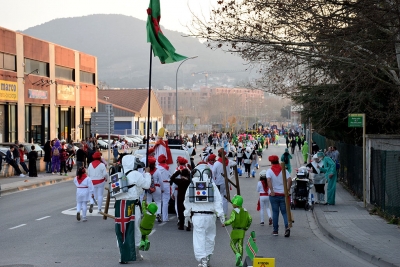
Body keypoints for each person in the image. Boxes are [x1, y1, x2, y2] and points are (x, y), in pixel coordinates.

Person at [183, 164, 225, 267]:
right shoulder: (211, 184)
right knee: (210, 238)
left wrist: (187, 215)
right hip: (210, 217)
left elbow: (187, 201)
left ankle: (203, 260)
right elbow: (218, 201)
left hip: (197, 217)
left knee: (199, 239)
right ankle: (207, 257)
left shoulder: (192, 184)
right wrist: (221, 215)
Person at [115, 155, 151, 263]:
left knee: (122, 230)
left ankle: (123, 255)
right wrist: (147, 173)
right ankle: (135, 253)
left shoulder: (118, 174)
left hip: (120, 206)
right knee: (135, 229)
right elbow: (147, 185)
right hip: (132, 206)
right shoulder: (135, 174)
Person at [222, 195, 252, 267]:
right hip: (242, 231)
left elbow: (232, 220)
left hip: (235, 230)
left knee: (232, 244)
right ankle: (240, 261)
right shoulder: (245, 210)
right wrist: (246, 227)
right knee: (240, 245)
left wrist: (225, 223)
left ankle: (237, 254)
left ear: (235, 203)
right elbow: (250, 219)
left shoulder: (234, 211)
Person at [266, 155, 292, 237]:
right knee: (284, 212)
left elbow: (269, 181)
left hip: (273, 195)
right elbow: (290, 180)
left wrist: (272, 190)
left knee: (275, 212)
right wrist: (287, 190)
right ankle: (287, 227)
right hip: (283, 194)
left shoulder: (269, 171)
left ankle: (275, 230)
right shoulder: (284, 170)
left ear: (271, 162)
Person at [212, 148, 237, 216]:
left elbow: (213, 173)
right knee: (225, 198)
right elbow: (235, 163)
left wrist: (214, 179)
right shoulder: (228, 162)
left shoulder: (216, 163)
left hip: (219, 183)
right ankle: (225, 214)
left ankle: (219, 213)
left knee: (219, 198)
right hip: (227, 182)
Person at [170, 156, 192, 230]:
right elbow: (192, 177)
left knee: (180, 210)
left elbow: (172, 179)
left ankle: (181, 223)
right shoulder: (188, 178)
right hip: (188, 196)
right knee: (187, 210)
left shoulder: (179, 180)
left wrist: (179, 172)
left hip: (180, 195)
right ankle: (188, 224)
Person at [145, 156, 164, 223]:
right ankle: (158, 214)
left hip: (148, 187)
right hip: (157, 187)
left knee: (149, 201)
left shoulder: (146, 171)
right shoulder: (157, 171)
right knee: (158, 201)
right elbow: (161, 181)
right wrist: (162, 188)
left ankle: (149, 214)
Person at [158, 154, 171, 222]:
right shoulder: (167, 167)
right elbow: (170, 175)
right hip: (166, 184)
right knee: (165, 201)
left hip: (158, 185)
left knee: (158, 201)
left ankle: (158, 215)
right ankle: (165, 218)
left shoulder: (157, 167)